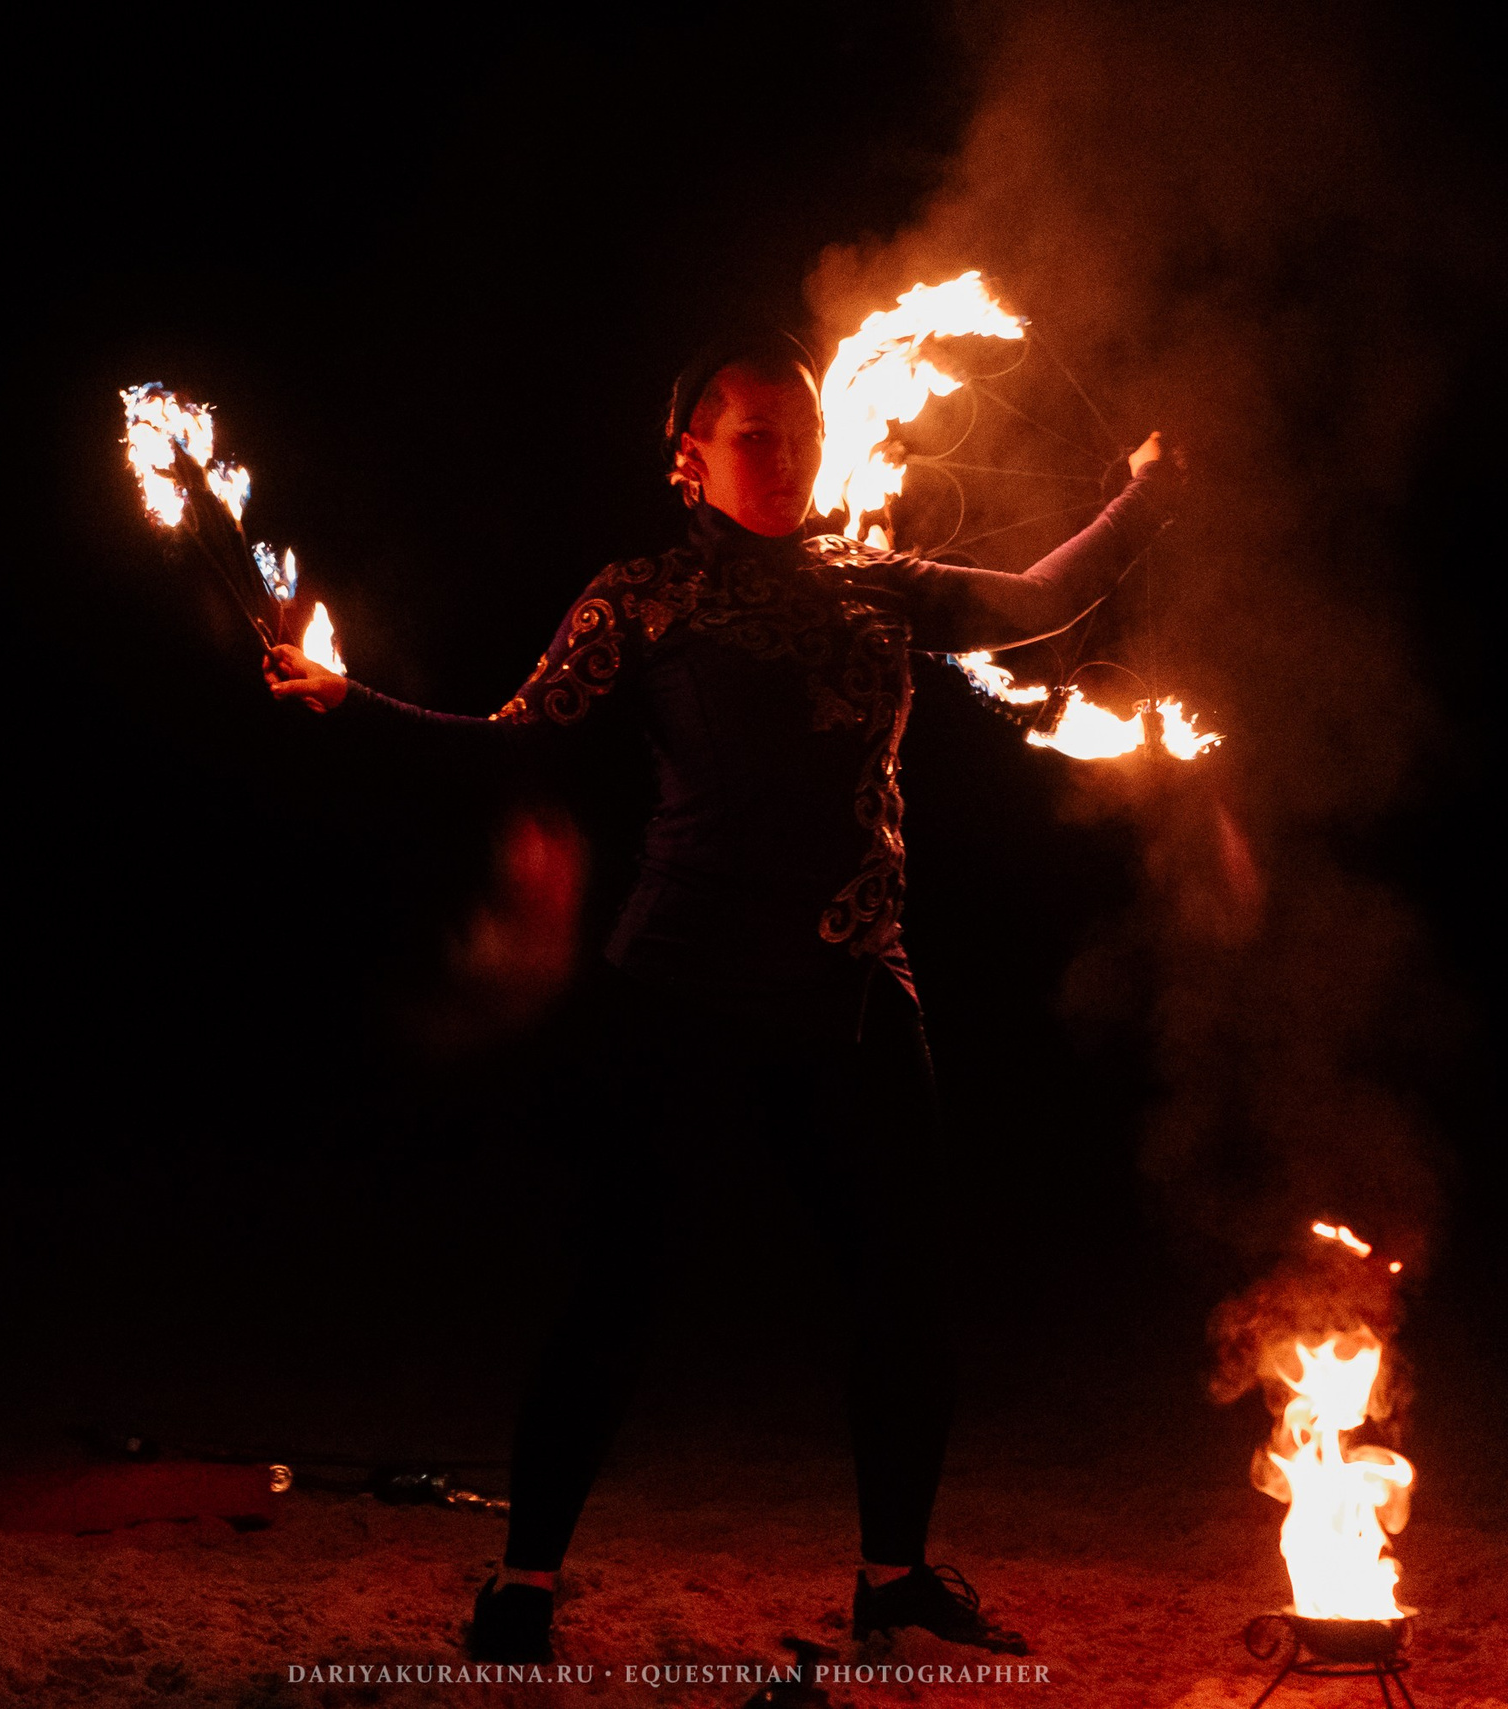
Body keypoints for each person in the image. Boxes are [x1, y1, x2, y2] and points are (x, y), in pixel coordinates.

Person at [263, 331, 1180, 1661]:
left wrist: (1148, 490)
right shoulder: (639, 599)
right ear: (688, 457)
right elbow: (509, 738)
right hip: (682, 987)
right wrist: (352, 698)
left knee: (907, 1290)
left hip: (855, 983)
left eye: (802, 432)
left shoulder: (882, 587)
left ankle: (893, 1578)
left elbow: (1043, 598)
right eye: (756, 434)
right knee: (616, 1285)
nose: (790, 456)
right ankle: (523, 1583)